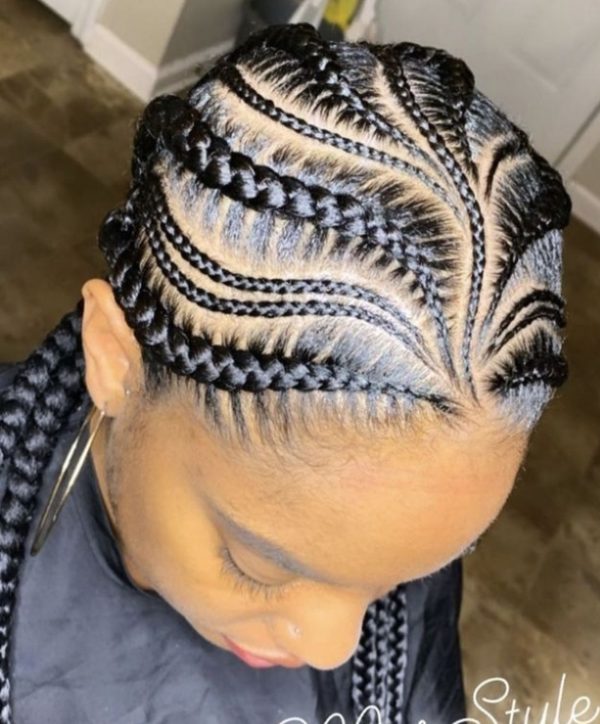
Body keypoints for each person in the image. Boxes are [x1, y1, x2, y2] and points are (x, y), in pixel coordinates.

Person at [0, 21, 571, 724]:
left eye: (399, 579)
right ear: (115, 360)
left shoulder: (399, 533)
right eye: (260, 566)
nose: (336, 648)